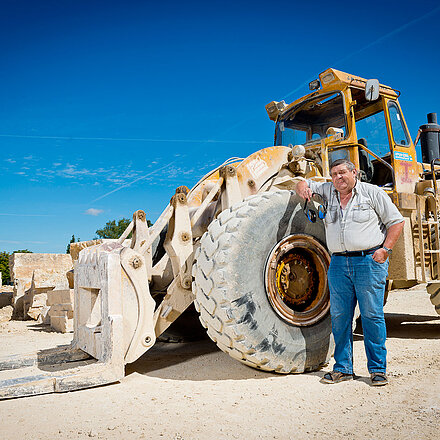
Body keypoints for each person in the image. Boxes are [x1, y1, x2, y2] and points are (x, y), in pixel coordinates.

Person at [296, 159, 404, 386]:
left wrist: (385, 250)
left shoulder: (372, 193)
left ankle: (377, 370)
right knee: (340, 317)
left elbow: (396, 221)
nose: (338, 178)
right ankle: (343, 368)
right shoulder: (327, 190)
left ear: (354, 172)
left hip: (368, 261)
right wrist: (302, 186)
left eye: (342, 173)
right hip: (338, 264)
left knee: (371, 316)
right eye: (334, 174)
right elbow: (302, 182)